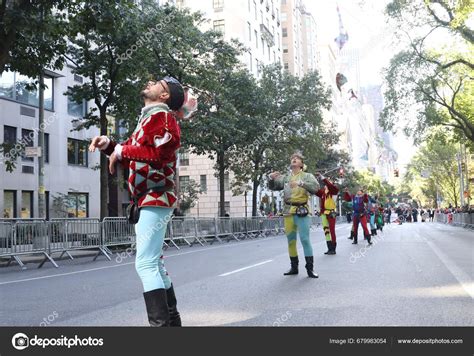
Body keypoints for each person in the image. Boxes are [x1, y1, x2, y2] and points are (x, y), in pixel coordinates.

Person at [89, 76, 187, 327]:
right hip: (150, 198)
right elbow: (133, 155)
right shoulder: (149, 118)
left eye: (157, 83)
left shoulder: (164, 118)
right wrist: (110, 145)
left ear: (164, 96)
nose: (149, 83)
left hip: (155, 197)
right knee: (154, 263)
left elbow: (158, 154)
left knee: (145, 263)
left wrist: (121, 150)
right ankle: (172, 325)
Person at [268, 152, 319, 278]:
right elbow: (273, 187)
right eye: (292, 158)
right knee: (291, 241)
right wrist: (270, 178)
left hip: (302, 211)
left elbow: (316, 188)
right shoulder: (285, 178)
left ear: (302, 164)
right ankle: (294, 267)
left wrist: (301, 183)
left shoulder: (307, 176)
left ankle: (310, 269)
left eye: (297, 159)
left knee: (305, 240)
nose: (294, 160)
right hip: (288, 212)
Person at [315, 174, 339, 255]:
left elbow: (330, 185)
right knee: (326, 231)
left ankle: (333, 249)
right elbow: (315, 190)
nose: (326, 185)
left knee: (332, 230)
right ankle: (329, 248)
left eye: (329, 183)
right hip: (323, 214)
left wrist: (323, 178)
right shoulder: (323, 193)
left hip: (331, 213)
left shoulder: (334, 191)